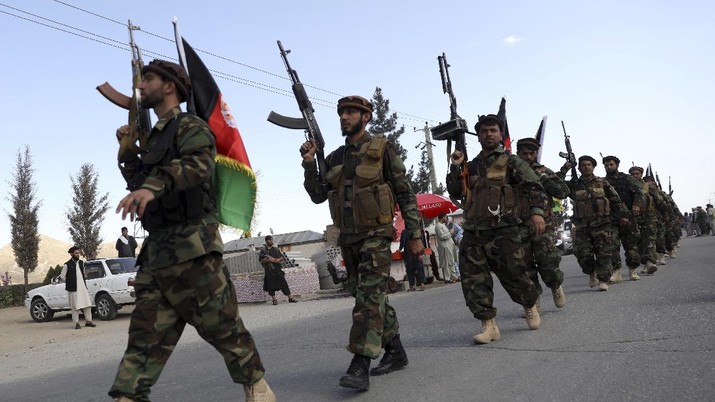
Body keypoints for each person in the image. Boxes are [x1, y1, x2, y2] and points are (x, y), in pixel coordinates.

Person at [109, 60, 274, 402]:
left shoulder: (190, 125)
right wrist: (128, 154)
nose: (141, 86)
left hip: (193, 249)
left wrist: (154, 185)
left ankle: (257, 387)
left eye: (148, 79)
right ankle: (129, 396)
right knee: (144, 338)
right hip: (157, 255)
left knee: (222, 327)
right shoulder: (153, 137)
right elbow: (140, 186)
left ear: (169, 86)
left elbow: (198, 165)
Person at [301, 95, 424, 391]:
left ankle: (360, 365)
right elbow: (319, 195)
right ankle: (396, 351)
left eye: (352, 112)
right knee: (370, 298)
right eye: (342, 112)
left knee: (367, 301)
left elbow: (405, 194)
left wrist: (416, 234)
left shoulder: (382, 149)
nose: (345, 116)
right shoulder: (334, 158)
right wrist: (308, 164)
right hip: (349, 240)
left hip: (376, 238)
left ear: (366, 116)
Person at [446, 114, 546, 345]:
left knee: (515, 275)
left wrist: (537, 213)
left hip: (505, 229)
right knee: (473, 280)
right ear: (478, 136)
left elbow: (533, 186)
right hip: (474, 230)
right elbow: (454, 190)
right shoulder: (469, 166)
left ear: (500, 135)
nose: (488, 134)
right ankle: (488, 325)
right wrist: (456, 167)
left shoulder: (512, 162)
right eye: (484, 131)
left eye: (493, 130)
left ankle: (530, 304)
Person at [558, 156, 628, 291]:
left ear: (593, 167)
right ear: (578, 168)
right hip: (582, 226)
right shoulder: (574, 184)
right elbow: (557, 187)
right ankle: (591, 272)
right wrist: (564, 169)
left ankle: (603, 280)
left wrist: (622, 216)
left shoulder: (603, 183)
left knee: (604, 253)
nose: (586, 167)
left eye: (589, 164)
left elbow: (615, 200)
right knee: (583, 255)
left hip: (602, 224)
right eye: (583, 165)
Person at [515, 137, 569, 309]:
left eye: (532, 153)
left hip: (544, 224)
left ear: (536, 154)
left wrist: (543, 177)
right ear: (518, 154)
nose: (528, 157)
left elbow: (563, 192)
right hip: (519, 224)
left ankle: (555, 285)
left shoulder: (544, 171)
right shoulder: (511, 173)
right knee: (524, 265)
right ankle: (533, 300)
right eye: (524, 153)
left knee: (547, 260)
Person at [602, 155, 648, 281]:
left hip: (629, 217)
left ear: (617, 165)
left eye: (611, 164)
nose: (609, 167)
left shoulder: (627, 179)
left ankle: (632, 270)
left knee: (631, 246)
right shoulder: (602, 182)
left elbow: (641, 191)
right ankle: (616, 271)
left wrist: (637, 204)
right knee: (611, 246)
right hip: (611, 219)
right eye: (606, 165)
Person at [628, 166, 666, 275]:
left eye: (637, 174)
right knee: (639, 243)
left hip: (649, 217)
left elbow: (660, 202)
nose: (635, 176)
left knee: (650, 240)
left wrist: (665, 215)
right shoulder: (627, 187)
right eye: (633, 174)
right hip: (634, 218)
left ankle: (650, 262)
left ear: (641, 174)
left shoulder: (648, 186)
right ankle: (645, 263)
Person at [59, 246, 95, 329]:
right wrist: (70, 283)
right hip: (73, 289)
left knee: (87, 304)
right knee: (75, 306)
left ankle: (88, 321)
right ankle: (76, 323)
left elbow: (84, 274)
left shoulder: (81, 263)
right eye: (76, 253)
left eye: (78, 253)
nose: (77, 255)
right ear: (71, 254)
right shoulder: (67, 265)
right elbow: (62, 277)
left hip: (82, 287)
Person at [259, 235, 298, 304]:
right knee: (271, 286)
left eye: (271, 240)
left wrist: (276, 260)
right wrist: (268, 260)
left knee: (284, 284)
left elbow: (282, 257)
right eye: (269, 240)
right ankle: (274, 300)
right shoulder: (263, 251)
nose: (271, 241)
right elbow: (261, 261)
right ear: (266, 241)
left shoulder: (276, 249)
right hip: (269, 271)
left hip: (277, 270)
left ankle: (290, 298)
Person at [399, 225, 425, 291]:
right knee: (419, 268)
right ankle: (422, 284)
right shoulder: (417, 230)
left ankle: (412, 286)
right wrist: (422, 252)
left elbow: (402, 242)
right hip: (417, 252)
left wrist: (400, 249)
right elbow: (421, 242)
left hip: (408, 253)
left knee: (410, 269)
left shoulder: (404, 232)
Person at [435, 213, 459, 283]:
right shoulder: (438, 226)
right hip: (444, 246)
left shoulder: (443, 225)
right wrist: (450, 233)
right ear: (442, 217)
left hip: (449, 245)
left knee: (451, 261)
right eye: (446, 217)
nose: (447, 219)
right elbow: (442, 236)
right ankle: (447, 278)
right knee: (446, 262)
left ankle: (454, 276)